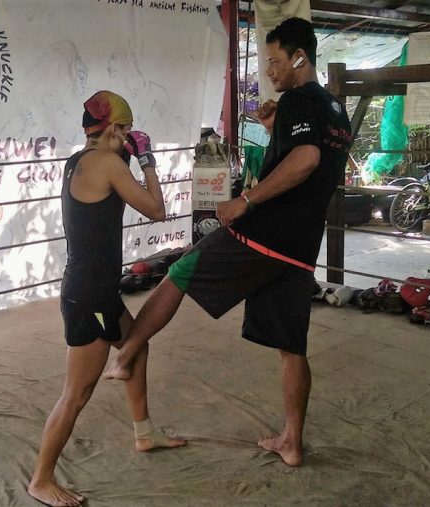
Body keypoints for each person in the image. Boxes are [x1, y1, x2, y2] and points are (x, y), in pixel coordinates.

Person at [104, 17, 352, 468]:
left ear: (300, 58)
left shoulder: (298, 99)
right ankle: (292, 442)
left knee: (180, 271)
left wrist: (246, 201)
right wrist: (276, 127)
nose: (269, 72)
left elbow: (305, 159)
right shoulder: (334, 110)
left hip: (265, 234)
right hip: (300, 245)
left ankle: (125, 356)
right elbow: (311, 156)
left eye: (275, 62)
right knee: (292, 347)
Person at [28, 90, 186, 507]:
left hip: (96, 290)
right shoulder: (108, 163)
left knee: (136, 347)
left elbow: (109, 193)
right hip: (88, 298)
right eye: (127, 130)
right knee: (76, 393)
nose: (130, 137)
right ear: (115, 128)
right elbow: (156, 209)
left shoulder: (78, 161)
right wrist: (147, 160)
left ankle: (144, 433)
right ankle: (40, 480)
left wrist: (125, 154)